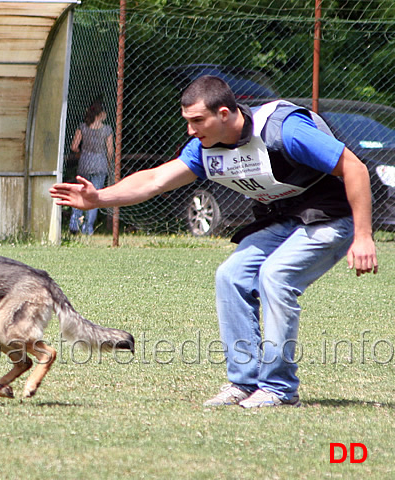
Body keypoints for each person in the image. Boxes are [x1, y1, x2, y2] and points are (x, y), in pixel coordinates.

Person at [50, 75, 378, 408]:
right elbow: (155, 180)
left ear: (224, 113)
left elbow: (355, 168)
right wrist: (98, 198)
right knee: (230, 276)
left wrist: (363, 236)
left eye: (197, 121)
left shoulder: (284, 130)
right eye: (187, 122)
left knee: (275, 277)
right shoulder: (204, 149)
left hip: (333, 216)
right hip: (283, 218)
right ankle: (244, 383)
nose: (191, 130)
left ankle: (279, 389)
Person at [67, 101, 114, 235]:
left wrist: (81, 154)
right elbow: (110, 151)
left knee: (80, 192)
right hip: (100, 163)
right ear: (101, 114)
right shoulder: (107, 130)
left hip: (85, 163)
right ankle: (88, 228)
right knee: (95, 195)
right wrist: (109, 163)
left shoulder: (82, 127)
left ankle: (74, 224)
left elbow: (74, 146)